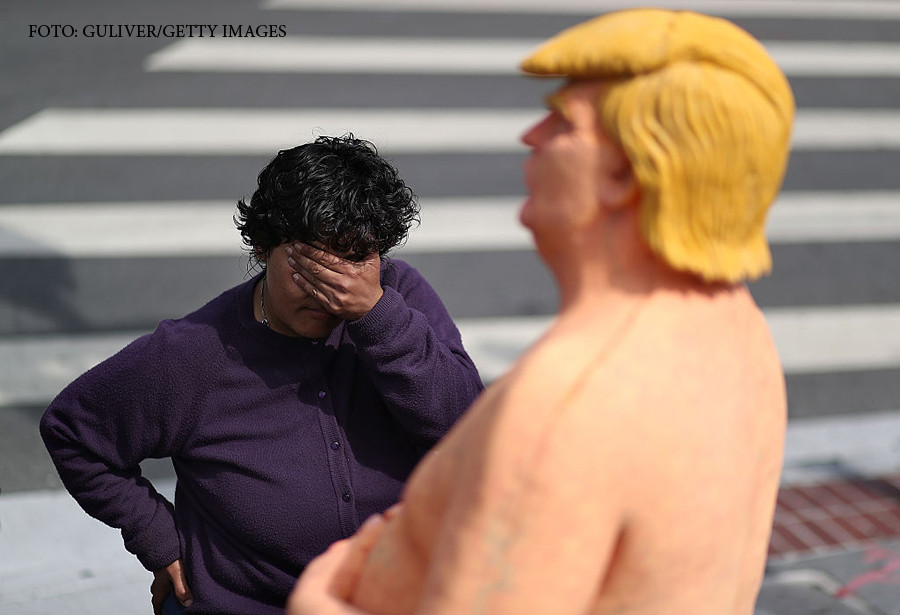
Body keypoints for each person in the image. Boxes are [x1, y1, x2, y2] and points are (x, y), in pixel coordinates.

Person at [287, 8, 794, 615]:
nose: (532, 136)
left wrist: (320, 597)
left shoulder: (563, 402)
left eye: (563, 121)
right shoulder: (737, 328)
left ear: (629, 171)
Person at [39, 134, 484, 614]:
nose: (332, 292)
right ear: (262, 246)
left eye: (354, 261)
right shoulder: (191, 354)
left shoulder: (397, 300)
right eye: (309, 267)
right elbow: (74, 433)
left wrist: (377, 317)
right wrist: (157, 538)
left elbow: (466, 431)